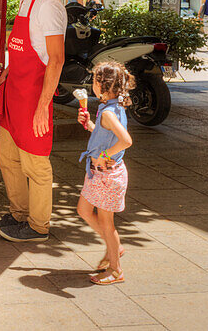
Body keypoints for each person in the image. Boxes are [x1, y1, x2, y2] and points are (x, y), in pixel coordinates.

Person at [0, 0, 67, 243]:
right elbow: (25, 47)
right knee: (7, 157)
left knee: (35, 163)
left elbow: (55, 59)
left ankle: (37, 225)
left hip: (33, 97)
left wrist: (43, 107)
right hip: (13, 92)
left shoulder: (47, 5)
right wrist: (7, 72)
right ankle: (18, 213)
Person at [76, 61, 134, 286]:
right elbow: (107, 135)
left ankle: (115, 269)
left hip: (106, 175)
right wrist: (91, 125)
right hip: (98, 174)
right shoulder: (109, 107)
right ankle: (114, 248)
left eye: (94, 81)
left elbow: (126, 141)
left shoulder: (109, 112)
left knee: (107, 224)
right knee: (83, 210)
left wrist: (106, 156)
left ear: (102, 85)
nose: (92, 85)